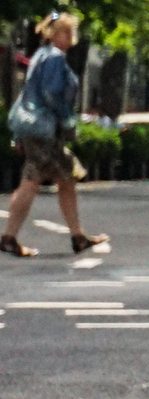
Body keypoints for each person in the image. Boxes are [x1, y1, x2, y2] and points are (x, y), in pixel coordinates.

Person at [5, 14, 105, 258]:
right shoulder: (54, 58)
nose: (71, 38)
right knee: (32, 181)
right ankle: (9, 237)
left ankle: (77, 236)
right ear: (53, 34)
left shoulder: (41, 56)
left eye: (71, 33)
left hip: (37, 127)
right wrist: (67, 119)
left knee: (65, 179)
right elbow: (51, 94)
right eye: (66, 32)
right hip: (45, 129)